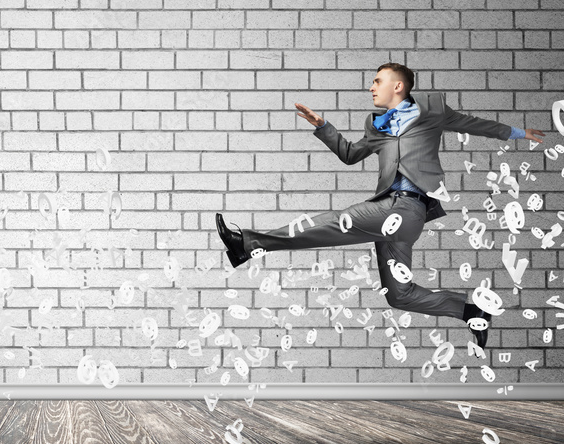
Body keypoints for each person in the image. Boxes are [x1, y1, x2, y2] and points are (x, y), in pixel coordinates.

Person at [215, 63, 546, 350]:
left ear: (397, 86)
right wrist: (322, 126)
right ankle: (470, 311)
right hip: (390, 209)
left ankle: (248, 243)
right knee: (399, 295)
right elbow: (349, 154)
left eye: (377, 81)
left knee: (336, 221)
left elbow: (472, 124)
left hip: (407, 207)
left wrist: (518, 132)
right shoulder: (377, 126)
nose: (371, 86)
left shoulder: (432, 108)